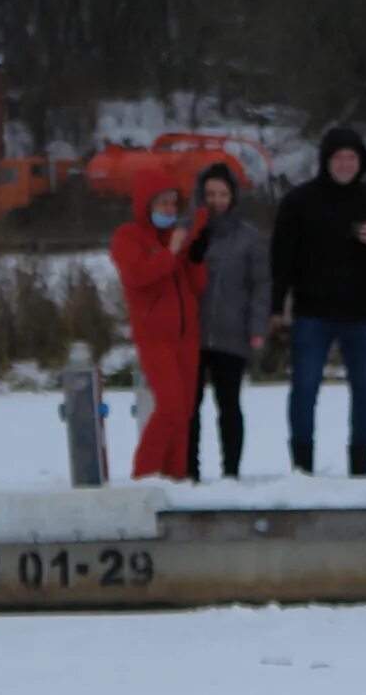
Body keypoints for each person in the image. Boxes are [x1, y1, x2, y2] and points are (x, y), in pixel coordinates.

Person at [269, 125, 366, 476]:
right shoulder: (299, 202)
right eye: (338, 158)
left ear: (361, 162)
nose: (345, 164)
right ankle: (302, 465)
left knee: (364, 391)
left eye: (351, 158)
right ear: (326, 161)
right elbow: (281, 258)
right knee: (304, 389)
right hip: (313, 311)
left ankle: (360, 465)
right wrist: (275, 306)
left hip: (362, 312)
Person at [108, 169, 206, 482]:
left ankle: (176, 477)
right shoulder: (129, 237)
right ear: (147, 204)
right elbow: (138, 276)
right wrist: (171, 252)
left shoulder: (174, 238)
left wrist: (195, 255)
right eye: (163, 203)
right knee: (170, 408)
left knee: (185, 413)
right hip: (155, 336)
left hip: (186, 334)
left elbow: (196, 285)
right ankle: (145, 475)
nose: (169, 210)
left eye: (173, 204)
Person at [188, 160, 270, 481]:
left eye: (223, 194)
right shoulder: (189, 230)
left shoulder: (249, 238)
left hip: (232, 334)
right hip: (192, 334)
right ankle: (189, 470)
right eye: (210, 193)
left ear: (233, 197)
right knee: (189, 408)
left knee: (229, 406)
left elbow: (261, 284)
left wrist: (257, 327)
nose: (216, 200)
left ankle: (231, 471)